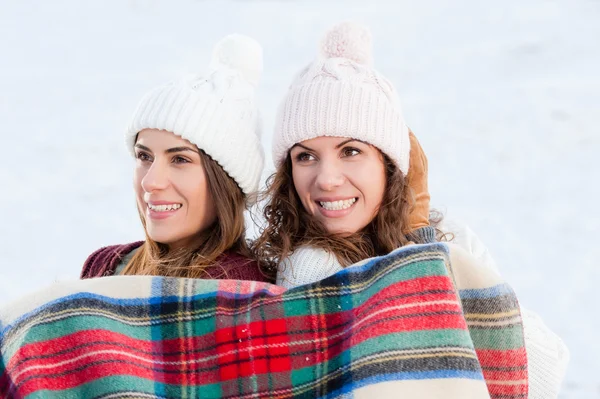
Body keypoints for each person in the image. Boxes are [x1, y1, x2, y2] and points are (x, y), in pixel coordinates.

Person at [254, 22, 568, 398]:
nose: (326, 179)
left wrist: (421, 238)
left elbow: (544, 371)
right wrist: (422, 255)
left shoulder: (453, 237)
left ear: (389, 165)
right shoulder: (310, 266)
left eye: (351, 151)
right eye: (305, 156)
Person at [81, 34, 269, 282]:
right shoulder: (105, 266)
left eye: (180, 159)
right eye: (144, 156)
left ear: (226, 181)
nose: (150, 182)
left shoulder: (239, 291)